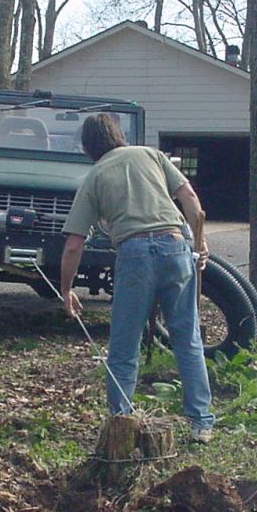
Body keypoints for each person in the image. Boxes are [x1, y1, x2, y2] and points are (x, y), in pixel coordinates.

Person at [59, 113, 215, 443]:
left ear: (88, 147)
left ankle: (121, 422)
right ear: (118, 135)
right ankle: (201, 422)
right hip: (176, 247)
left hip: (134, 253)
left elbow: (74, 244)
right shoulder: (151, 155)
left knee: (124, 347)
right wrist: (199, 245)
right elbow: (191, 202)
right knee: (187, 340)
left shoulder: (95, 176)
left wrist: (67, 288)